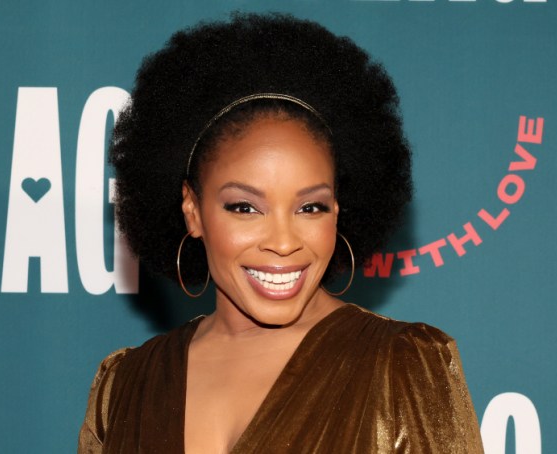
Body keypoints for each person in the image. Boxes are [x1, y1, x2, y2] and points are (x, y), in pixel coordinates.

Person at [78, 12, 483, 454]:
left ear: (339, 210)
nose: (284, 241)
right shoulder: (126, 386)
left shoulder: (401, 368)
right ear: (192, 210)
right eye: (245, 207)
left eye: (311, 207)